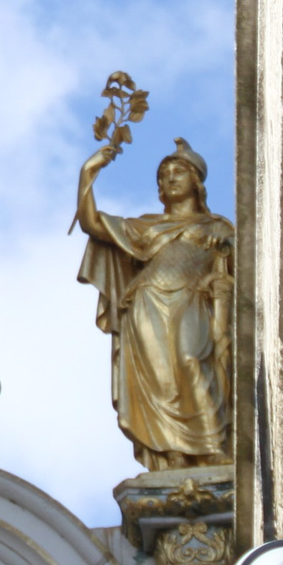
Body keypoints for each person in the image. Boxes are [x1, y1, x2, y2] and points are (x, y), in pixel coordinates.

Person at [74, 137, 235, 470]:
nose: (170, 179)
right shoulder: (146, 226)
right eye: (164, 175)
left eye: (179, 171)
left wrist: (226, 251)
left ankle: (211, 446)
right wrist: (88, 172)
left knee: (193, 361)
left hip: (191, 299)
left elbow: (241, 268)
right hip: (146, 302)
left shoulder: (218, 226)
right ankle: (171, 452)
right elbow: (92, 223)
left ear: (197, 181)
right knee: (160, 380)